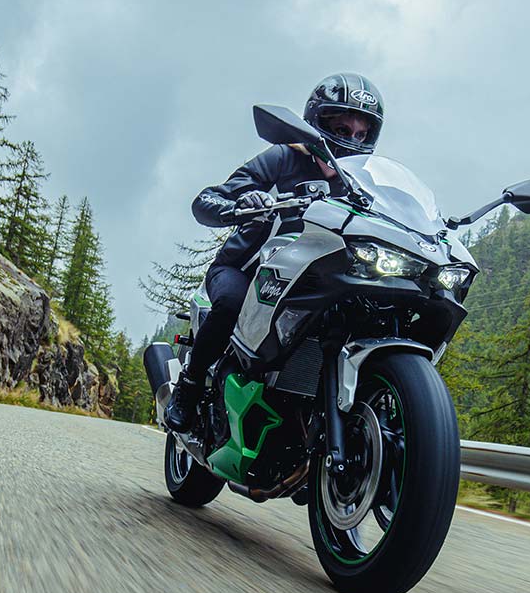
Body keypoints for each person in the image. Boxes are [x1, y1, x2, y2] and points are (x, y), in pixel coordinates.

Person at [164, 73, 385, 431]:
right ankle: (189, 385)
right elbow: (207, 199)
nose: (352, 140)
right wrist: (243, 201)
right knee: (231, 303)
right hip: (247, 270)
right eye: (343, 129)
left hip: (312, 277)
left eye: (362, 134)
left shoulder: (360, 185)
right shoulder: (284, 158)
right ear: (318, 122)